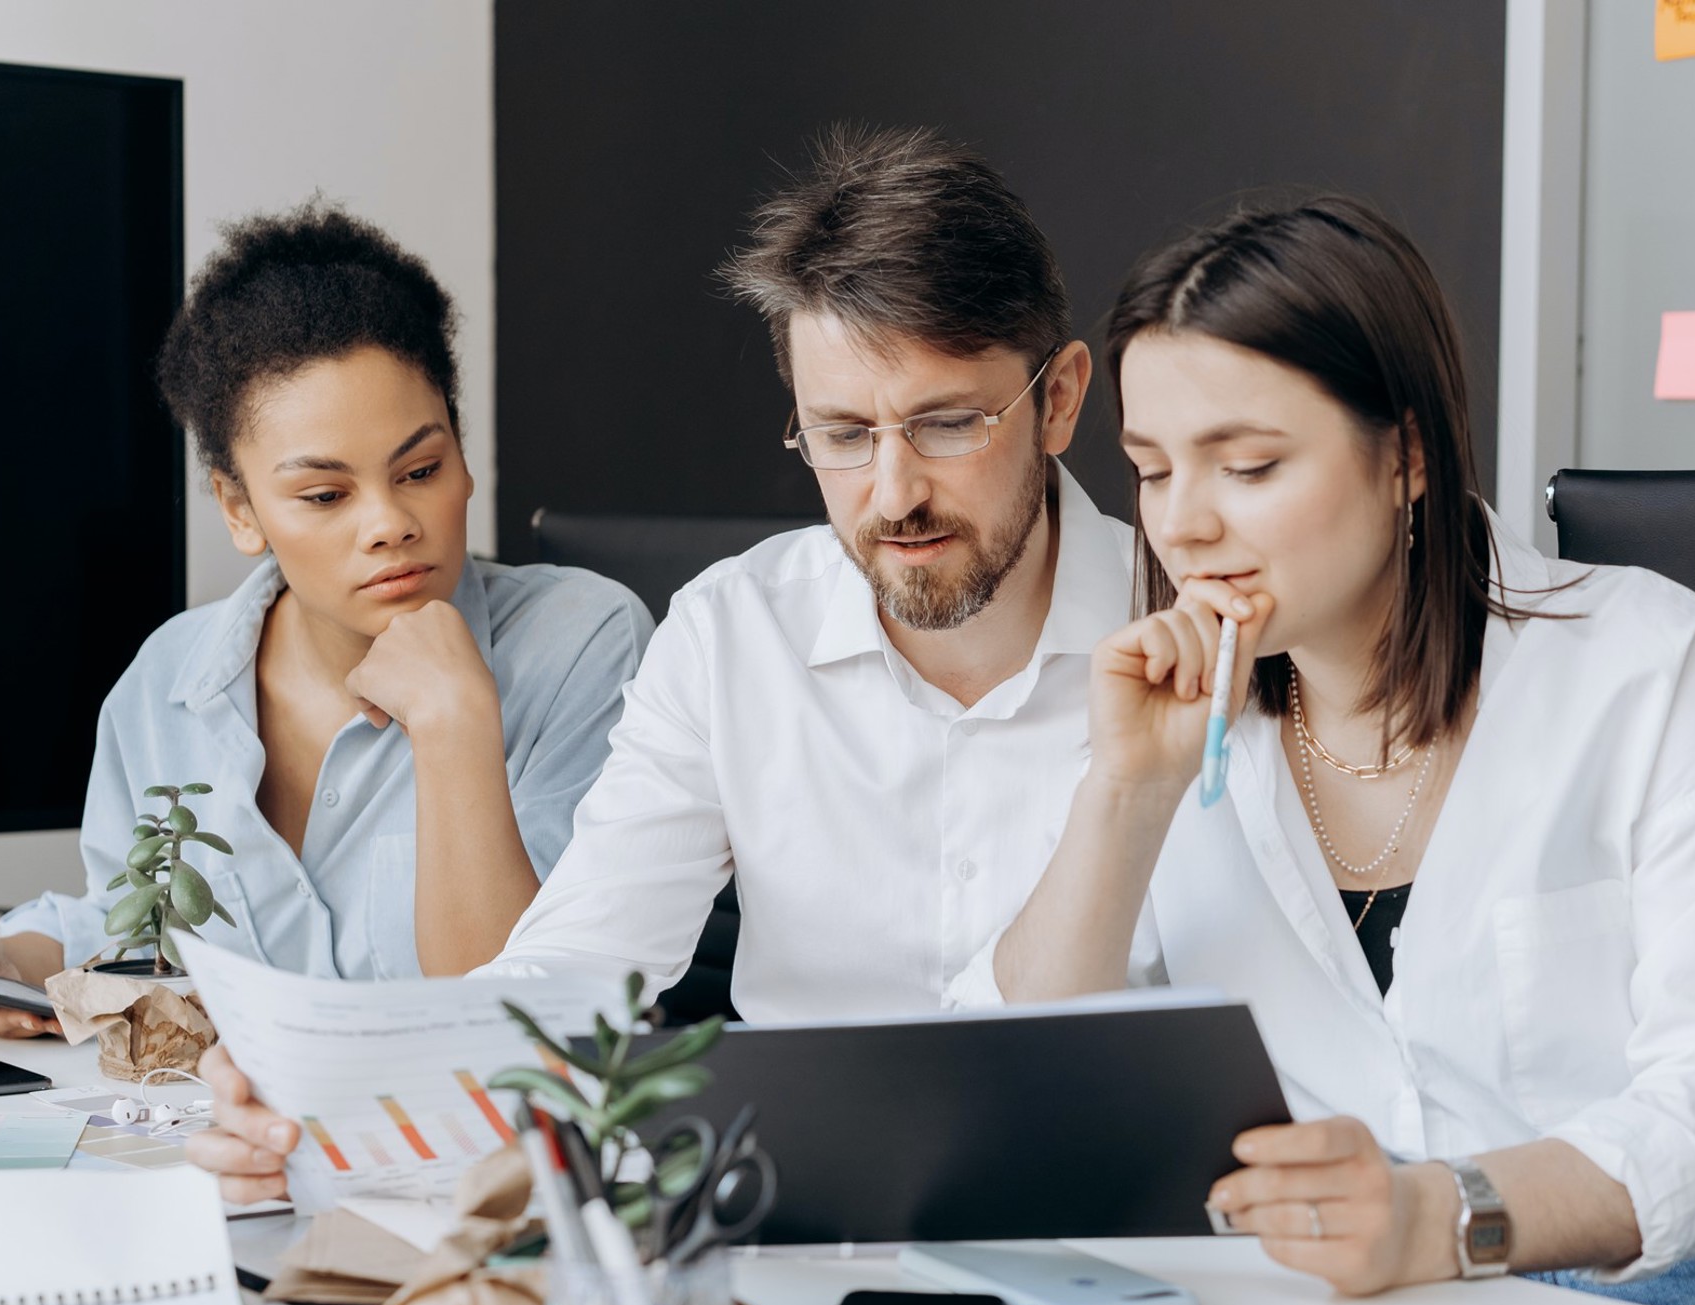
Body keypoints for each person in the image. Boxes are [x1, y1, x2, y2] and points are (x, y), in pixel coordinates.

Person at [963, 198, 1695, 1305]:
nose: (1181, 525)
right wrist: (1126, 797)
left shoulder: (1647, 665)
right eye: (1150, 470)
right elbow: (1018, 1086)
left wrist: (1443, 1214)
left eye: (1248, 465)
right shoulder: (1170, 714)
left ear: (1409, 455)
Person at [190, 126, 1136, 1202]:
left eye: (947, 424)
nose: (892, 493)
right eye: (840, 433)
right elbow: (572, 976)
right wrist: (325, 1103)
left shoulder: (1210, 640)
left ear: (1058, 400)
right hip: (795, 1224)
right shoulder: (732, 633)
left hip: (1128, 1227)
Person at [0, 202, 652, 1053]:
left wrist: (457, 722)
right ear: (240, 509)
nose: (389, 522)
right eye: (324, 494)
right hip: (236, 1148)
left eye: (421, 469)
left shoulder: (584, 641)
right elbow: (135, 920)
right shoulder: (169, 680)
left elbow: (515, 1026)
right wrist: (14, 965)